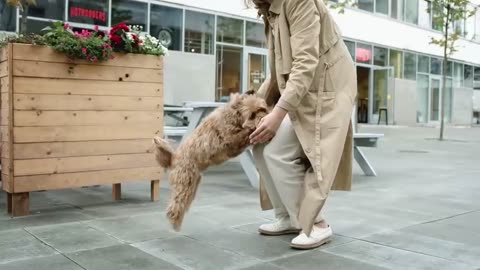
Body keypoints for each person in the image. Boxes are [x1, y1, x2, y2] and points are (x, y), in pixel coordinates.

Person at [248, 0, 357, 250]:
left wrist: (277, 115)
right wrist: (255, 105)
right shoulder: (270, 10)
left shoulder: (299, 1)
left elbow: (305, 62)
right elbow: (278, 70)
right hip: (304, 89)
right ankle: (287, 217)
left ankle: (315, 224)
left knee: (277, 150)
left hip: (327, 89)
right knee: (261, 147)